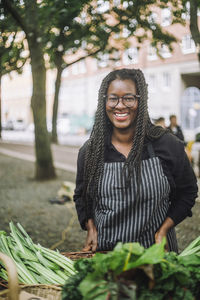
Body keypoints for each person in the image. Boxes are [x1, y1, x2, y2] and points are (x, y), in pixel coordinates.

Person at [73, 68, 198, 253]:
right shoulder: (91, 151)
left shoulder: (167, 144)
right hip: (106, 257)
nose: (120, 105)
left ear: (140, 101)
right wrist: (90, 226)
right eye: (113, 98)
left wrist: (164, 229)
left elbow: (188, 192)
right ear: (104, 102)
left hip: (156, 254)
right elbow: (81, 196)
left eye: (129, 98)